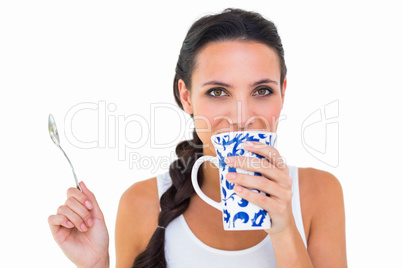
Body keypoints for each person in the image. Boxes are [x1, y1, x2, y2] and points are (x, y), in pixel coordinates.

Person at [48, 8, 347, 268]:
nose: (241, 117)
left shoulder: (318, 193)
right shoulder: (141, 204)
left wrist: (284, 230)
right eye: (218, 92)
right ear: (186, 96)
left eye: (262, 91)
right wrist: (96, 265)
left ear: (283, 93)